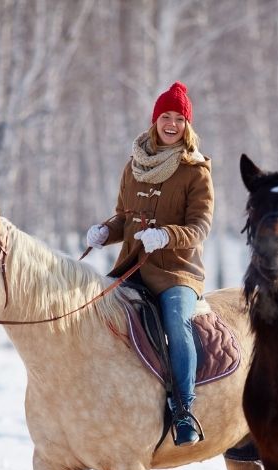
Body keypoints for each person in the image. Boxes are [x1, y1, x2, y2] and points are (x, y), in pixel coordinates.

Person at [85, 81, 213, 446]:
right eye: (165, 117)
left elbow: (200, 226)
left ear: (187, 125)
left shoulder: (196, 170)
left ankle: (184, 409)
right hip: (132, 269)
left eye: (178, 118)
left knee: (176, 320)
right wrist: (103, 232)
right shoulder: (134, 166)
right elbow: (123, 218)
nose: (171, 124)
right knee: (95, 315)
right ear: (154, 120)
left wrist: (167, 236)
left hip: (177, 273)